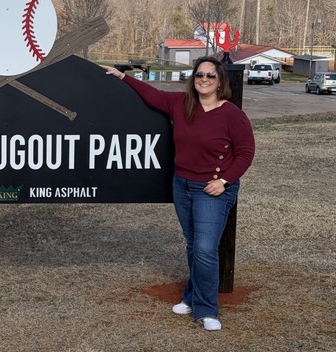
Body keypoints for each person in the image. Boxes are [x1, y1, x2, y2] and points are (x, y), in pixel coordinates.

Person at [106, 58, 255, 331]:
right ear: (194, 78)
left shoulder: (231, 114)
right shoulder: (181, 104)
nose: (204, 79)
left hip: (212, 189)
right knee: (192, 244)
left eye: (211, 75)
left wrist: (224, 181)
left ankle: (206, 310)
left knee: (205, 249)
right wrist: (121, 76)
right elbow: (152, 96)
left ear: (220, 81)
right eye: (200, 74)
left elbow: (246, 153)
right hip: (183, 185)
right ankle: (190, 296)